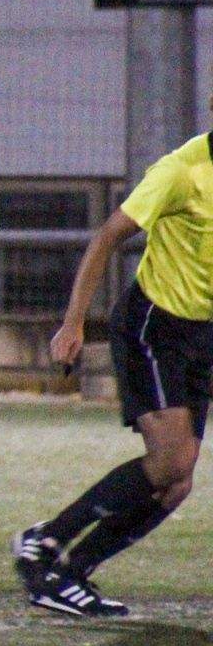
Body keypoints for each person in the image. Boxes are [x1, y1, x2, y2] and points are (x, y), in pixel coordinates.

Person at [14, 125, 213, 618]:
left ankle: (70, 572)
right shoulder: (180, 171)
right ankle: (44, 541)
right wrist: (74, 323)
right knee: (168, 462)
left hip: (203, 335)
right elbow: (107, 236)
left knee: (177, 482)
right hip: (155, 326)